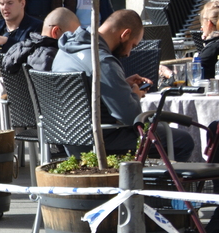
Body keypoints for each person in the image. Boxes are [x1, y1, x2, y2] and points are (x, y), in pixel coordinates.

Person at [52, 9, 194, 161]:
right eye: (133, 45)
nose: (129, 54)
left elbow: (84, 91)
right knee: (182, 140)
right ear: (125, 34)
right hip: (100, 139)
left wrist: (120, 84)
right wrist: (135, 95)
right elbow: (130, 117)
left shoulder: (64, 51)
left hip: (65, 137)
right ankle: (151, 184)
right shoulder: (103, 61)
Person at [0, 7, 80, 75]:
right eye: (72, 36)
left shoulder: (22, 49)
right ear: (55, 31)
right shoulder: (53, 56)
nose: (75, 41)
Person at [195, 0, 219, 79]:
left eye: (202, 26)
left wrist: (168, 73)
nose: (201, 29)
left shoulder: (213, 47)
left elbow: (192, 76)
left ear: (209, 24)